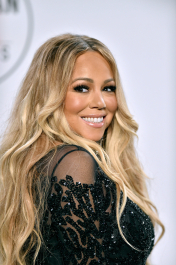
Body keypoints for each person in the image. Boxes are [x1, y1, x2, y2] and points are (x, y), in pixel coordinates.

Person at [0, 34, 164, 265]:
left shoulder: (45, 162)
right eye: (82, 88)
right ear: (50, 95)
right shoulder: (75, 162)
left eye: (108, 88)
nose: (101, 102)